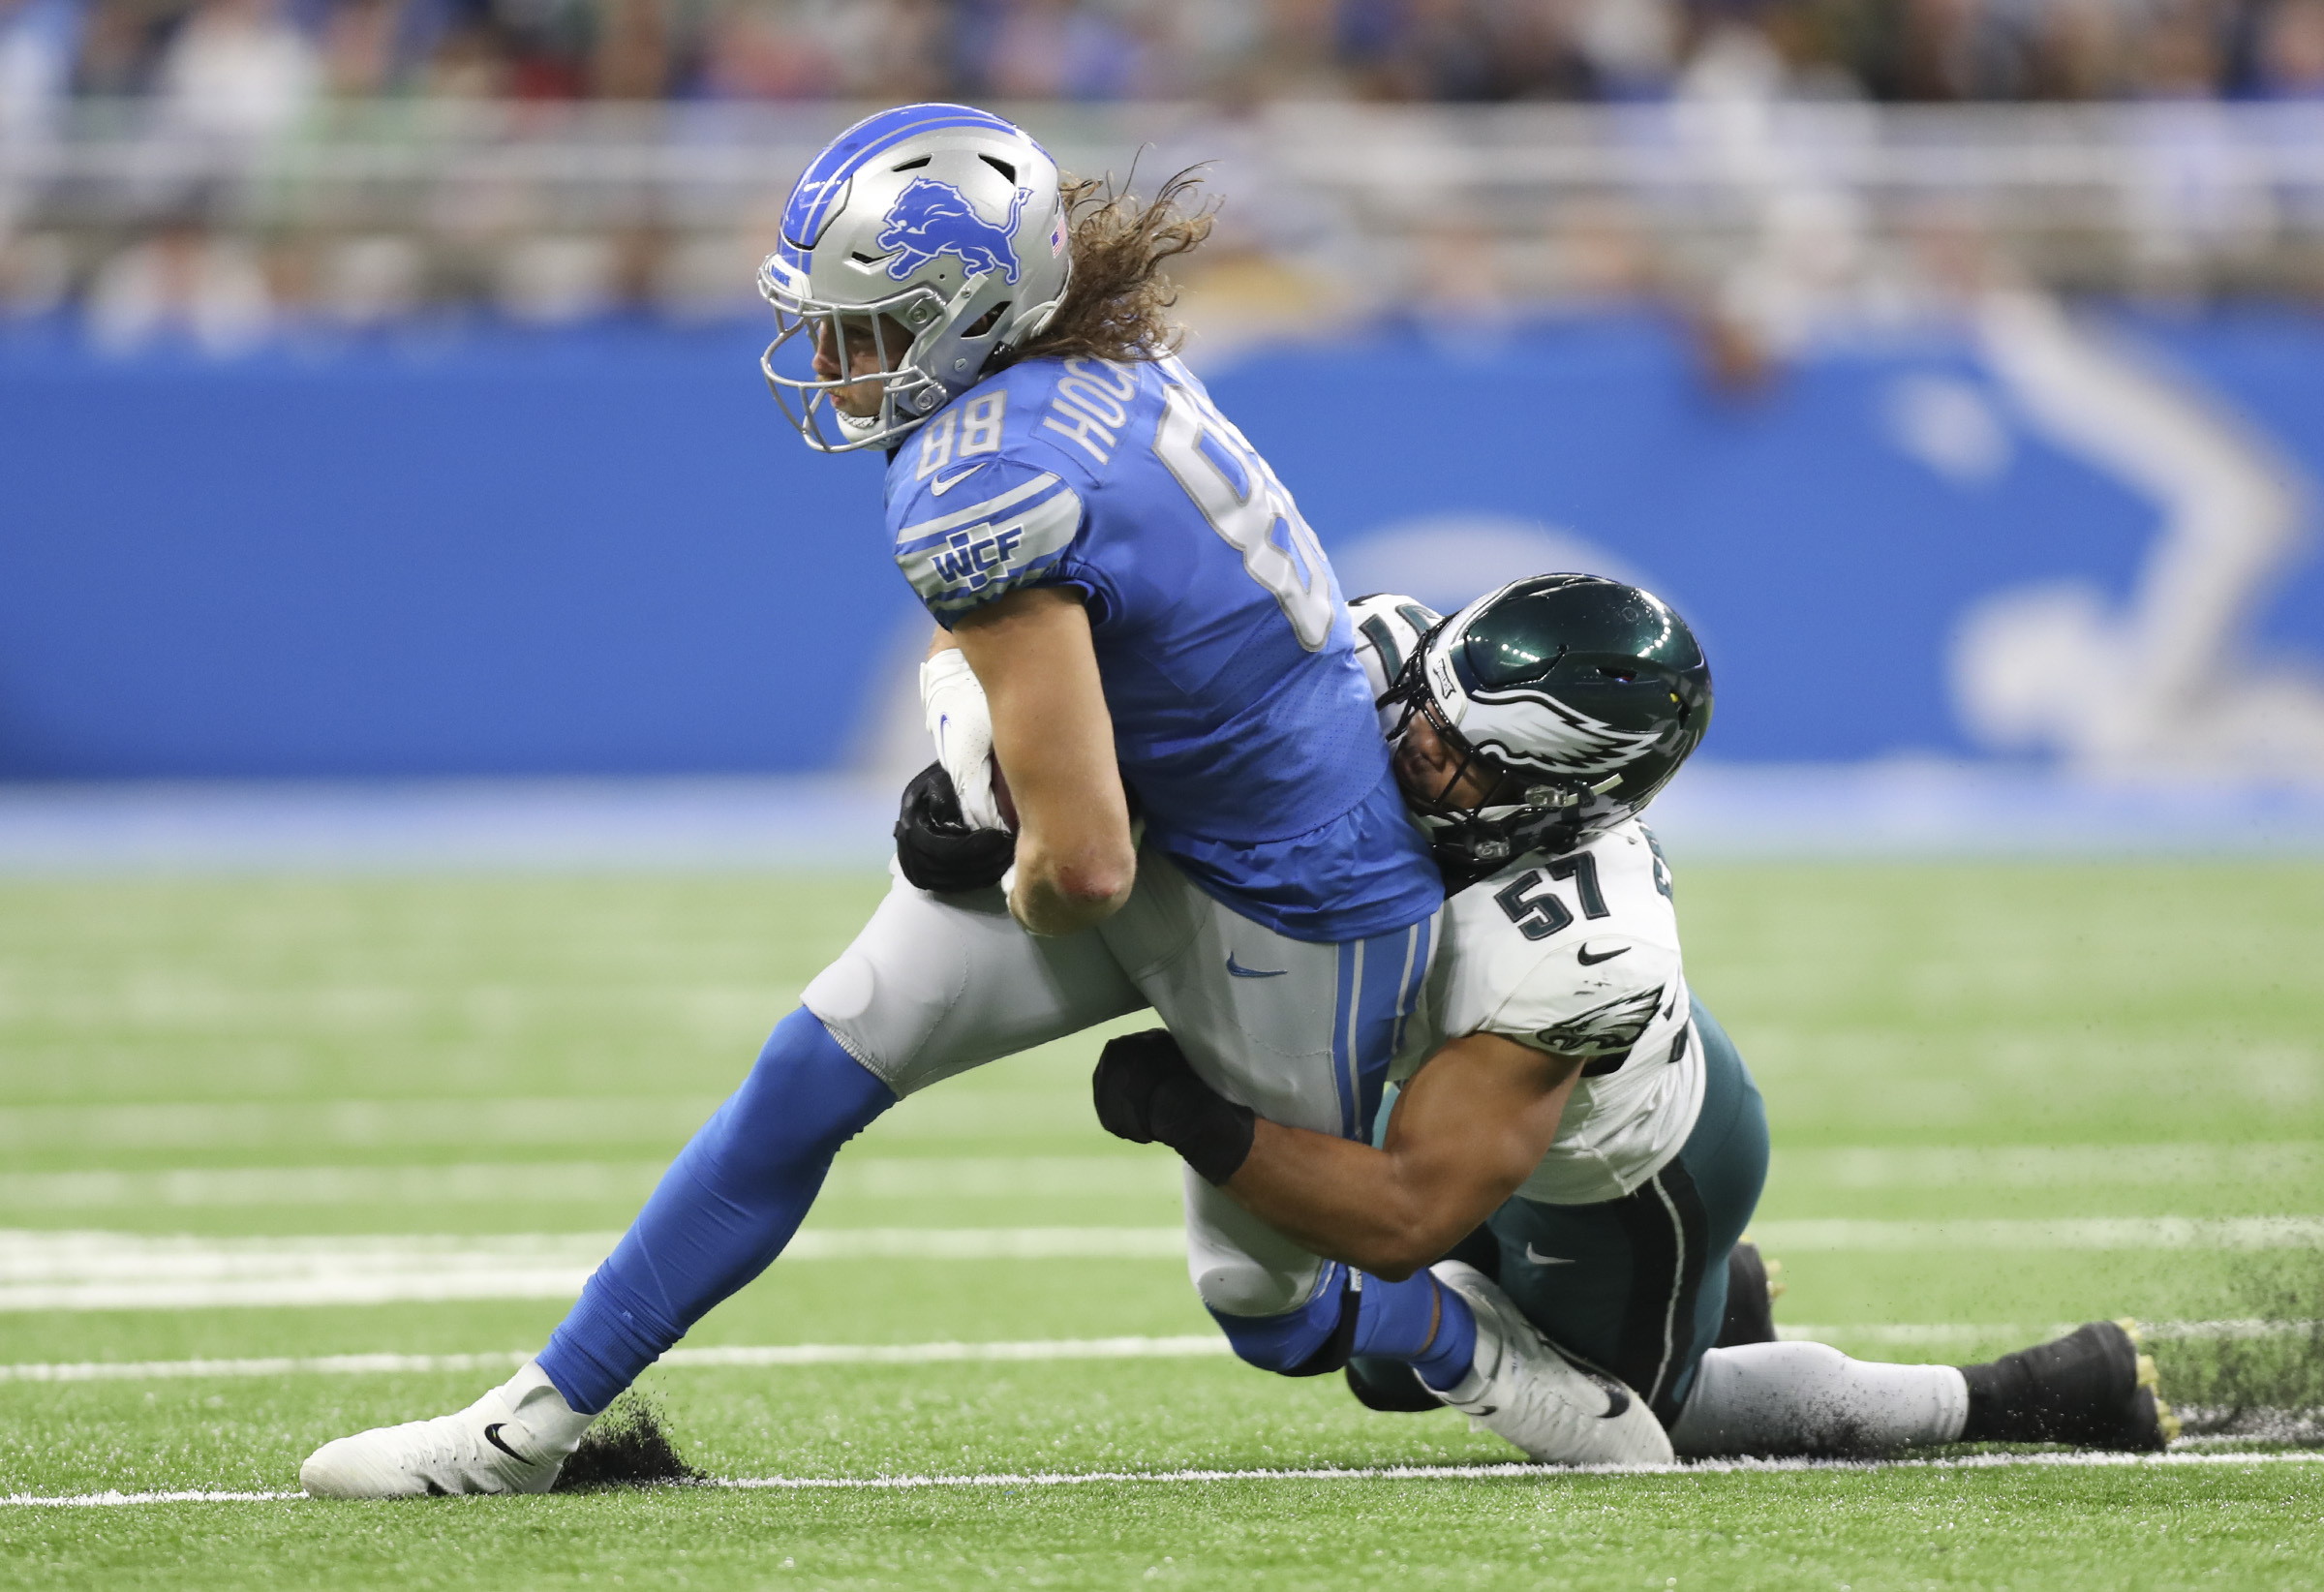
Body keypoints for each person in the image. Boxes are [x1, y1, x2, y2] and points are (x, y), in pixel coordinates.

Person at [299, 102, 1464, 1498]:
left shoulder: (985, 479)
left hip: (1290, 885)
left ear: (972, 316)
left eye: (871, 327)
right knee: (814, 1068)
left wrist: (1000, 844)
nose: (837, 363)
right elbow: (1066, 638)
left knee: (1273, 1313)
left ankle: (1553, 1351)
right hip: (1166, 807)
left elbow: (1081, 873)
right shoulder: (1080, 358)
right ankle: (525, 1430)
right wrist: (971, 740)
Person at [1093, 575, 2178, 1462]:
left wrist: (1200, 1119)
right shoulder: (1387, 662)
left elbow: (1404, 1214)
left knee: (1662, 1419)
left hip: (1618, 1180)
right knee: (1382, 1372)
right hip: (1466, 1096)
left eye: (1455, 764)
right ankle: (1725, 1296)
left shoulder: (1578, 945)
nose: (1405, 754)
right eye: (1421, 712)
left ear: (1561, 802)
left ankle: (2029, 1391)